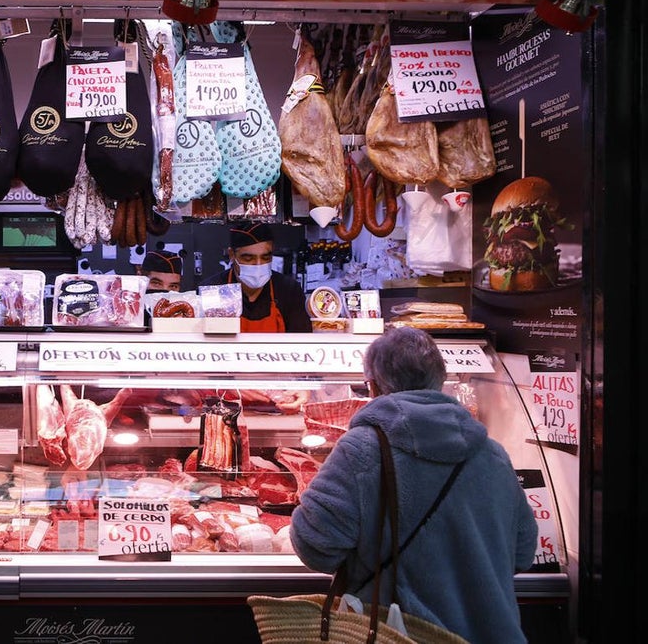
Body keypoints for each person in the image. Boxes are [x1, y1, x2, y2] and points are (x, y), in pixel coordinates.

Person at [290, 327, 538, 643]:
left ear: (373, 386)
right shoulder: (493, 454)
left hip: (403, 634)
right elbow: (522, 552)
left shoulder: (362, 450)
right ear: (440, 380)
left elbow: (315, 548)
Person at [199, 221, 311, 332]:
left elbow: (301, 342)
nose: (258, 264)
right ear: (232, 255)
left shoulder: (288, 290)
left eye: (265, 258)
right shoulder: (213, 290)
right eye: (248, 258)